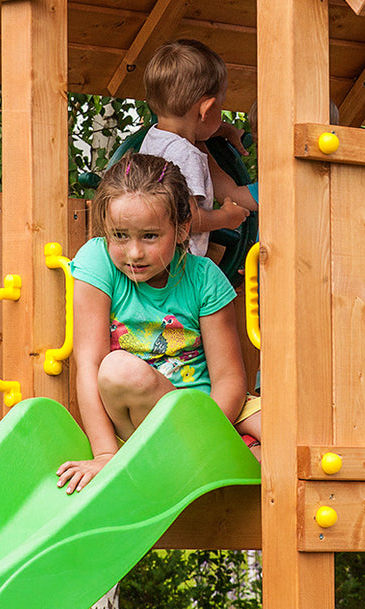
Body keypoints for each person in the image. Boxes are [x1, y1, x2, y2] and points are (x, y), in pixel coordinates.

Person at [56, 153, 262, 493]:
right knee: (119, 369)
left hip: (206, 410)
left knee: (289, 430)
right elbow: (89, 364)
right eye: (120, 236)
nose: (134, 252)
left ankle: (216, 451)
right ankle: (224, 453)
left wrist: (209, 429)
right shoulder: (97, 262)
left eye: (149, 236)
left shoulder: (204, 278)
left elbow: (228, 378)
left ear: (181, 229)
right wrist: (105, 453)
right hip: (141, 417)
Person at [139, 39, 254, 258]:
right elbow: (187, 219)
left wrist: (223, 129)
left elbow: (194, 128)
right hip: (181, 264)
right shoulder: (185, 154)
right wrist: (226, 217)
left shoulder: (155, 137)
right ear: (207, 108)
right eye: (221, 106)